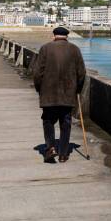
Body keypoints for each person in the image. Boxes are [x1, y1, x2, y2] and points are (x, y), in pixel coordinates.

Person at [33, 27, 86, 163]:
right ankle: (63, 154)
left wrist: (39, 88)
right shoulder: (74, 49)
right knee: (65, 123)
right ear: (67, 36)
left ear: (54, 36)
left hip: (48, 94)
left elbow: (38, 73)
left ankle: (50, 148)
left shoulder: (45, 48)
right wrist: (78, 89)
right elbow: (81, 73)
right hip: (68, 94)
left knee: (48, 121)